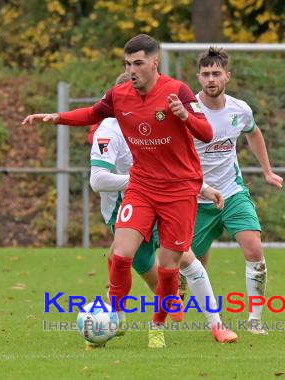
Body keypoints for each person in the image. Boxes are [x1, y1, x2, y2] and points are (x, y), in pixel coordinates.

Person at [23, 34, 215, 348]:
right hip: (141, 185)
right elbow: (91, 113)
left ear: (155, 62)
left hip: (179, 189)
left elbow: (206, 133)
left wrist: (186, 116)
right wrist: (57, 117)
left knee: (169, 268)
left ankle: (157, 327)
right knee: (120, 254)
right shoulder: (119, 95)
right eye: (127, 63)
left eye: (138, 63)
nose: (132, 69)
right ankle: (112, 316)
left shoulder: (176, 91)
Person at [89, 72, 237, 344]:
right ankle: (121, 318)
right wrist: (141, 181)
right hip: (127, 209)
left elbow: (173, 168)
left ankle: (216, 325)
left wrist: (201, 188)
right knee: (130, 265)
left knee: (187, 260)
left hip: (165, 202)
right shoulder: (108, 132)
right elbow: (97, 180)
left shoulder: (156, 121)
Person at [188, 47, 284, 335]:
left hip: (232, 190)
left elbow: (253, 133)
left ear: (227, 76)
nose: (210, 79)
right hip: (196, 197)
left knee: (254, 248)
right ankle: (188, 295)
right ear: (198, 77)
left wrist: (267, 170)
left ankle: (254, 320)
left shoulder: (239, 109)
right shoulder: (188, 109)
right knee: (194, 261)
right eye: (205, 74)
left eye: (216, 73)